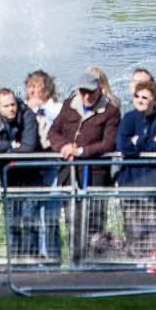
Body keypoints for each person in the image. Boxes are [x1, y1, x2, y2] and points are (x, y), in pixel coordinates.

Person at [47, 70, 120, 260]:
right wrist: (62, 146)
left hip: (96, 175)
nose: (86, 96)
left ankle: (96, 264)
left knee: (95, 222)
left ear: (98, 90)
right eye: (82, 92)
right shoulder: (69, 106)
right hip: (69, 174)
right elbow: (53, 132)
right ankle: (75, 264)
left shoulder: (110, 110)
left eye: (90, 92)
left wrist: (80, 151)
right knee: (73, 222)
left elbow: (109, 143)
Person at [0, 86, 45, 260]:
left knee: (29, 219)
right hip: (8, 177)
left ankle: (30, 259)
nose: (11, 108)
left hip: (30, 176)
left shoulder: (27, 115)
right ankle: (14, 260)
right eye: (7, 106)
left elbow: (29, 147)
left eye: (13, 104)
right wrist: (10, 146)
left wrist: (1, 147)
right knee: (12, 221)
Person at [115, 72, 156, 257]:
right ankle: (135, 271)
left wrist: (137, 142)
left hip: (155, 184)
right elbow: (123, 146)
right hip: (131, 183)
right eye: (137, 96)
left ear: (154, 100)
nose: (140, 100)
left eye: (145, 97)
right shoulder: (128, 118)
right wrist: (146, 140)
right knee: (134, 232)